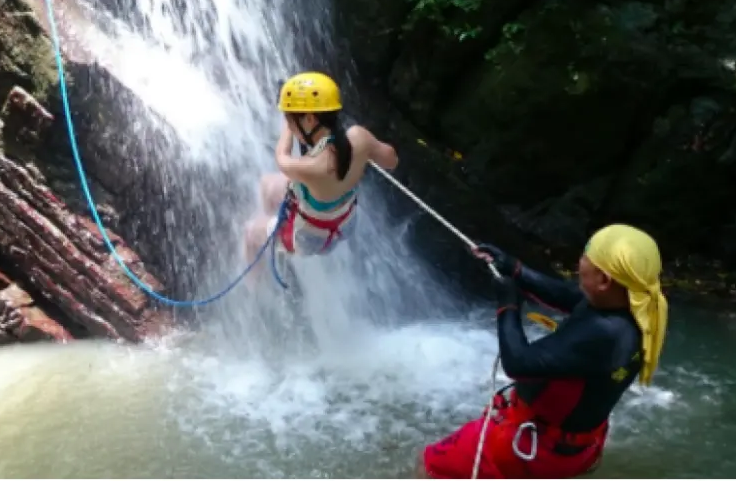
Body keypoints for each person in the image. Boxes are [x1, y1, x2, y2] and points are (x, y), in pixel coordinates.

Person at [416, 224, 669, 479]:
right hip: (573, 445)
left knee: (430, 466)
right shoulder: (634, 308)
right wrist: (513, 268)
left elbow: (518, 363)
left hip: (534, 447)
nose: (579, 262)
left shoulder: (604, 333)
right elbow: (564, 294)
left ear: (604, 281)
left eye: (585, 256)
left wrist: (508, 306)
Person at [244, 71, 398, 265]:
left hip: (310, 240)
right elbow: (391, 160)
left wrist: (288, 120)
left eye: (291, 121)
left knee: (249, 233)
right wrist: (366, 152)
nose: (291, 127)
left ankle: (261, 276)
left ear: (310, 120)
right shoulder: (359, 137)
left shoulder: (311, 166)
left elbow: (282, 156)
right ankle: (273, 227)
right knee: (267, 183)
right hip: (345, 224)